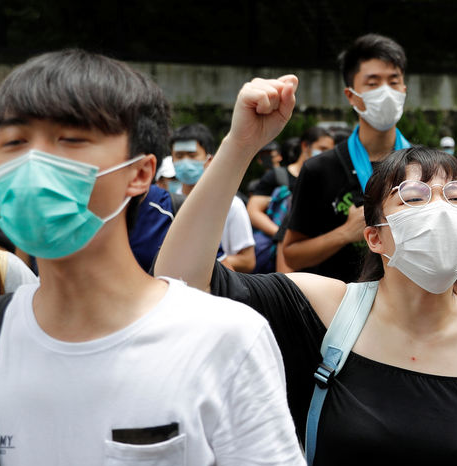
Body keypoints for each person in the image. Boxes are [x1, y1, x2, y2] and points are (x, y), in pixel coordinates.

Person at [154, 83, 457, 466]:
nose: (442, 211)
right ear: (374, 236)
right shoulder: (326, 310)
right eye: (414, 198)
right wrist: (239, 147)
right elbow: (181, 283)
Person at [0, 49, 309, 466]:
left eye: (70, 140)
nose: (35, 164)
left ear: (139, 173)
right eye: (14, 142)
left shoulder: (224, 339)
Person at [280, 34, 411, 282]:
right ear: (351, 95)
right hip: (335, 310)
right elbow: (292, 255)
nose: (386, 93)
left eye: (393, 82)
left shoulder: (423, 166)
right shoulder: (319, 169)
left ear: (404, 89)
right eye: (373, 83)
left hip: (406, 311)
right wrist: (344, 234)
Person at [171, 123, 256, 273]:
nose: (185, 162)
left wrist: (198, 261)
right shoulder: (166, 202)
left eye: (192, 156)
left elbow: (248, 261)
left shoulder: (231, 205)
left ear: (209, 160)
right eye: (179, 156)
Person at [247, 126, 334, 273]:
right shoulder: (278, 176)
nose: (326, 155)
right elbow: (253, 211)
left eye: (330, 151)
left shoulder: (327, 181)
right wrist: (283, 235)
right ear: (305, 146)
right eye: (322, 148)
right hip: (279, 257)